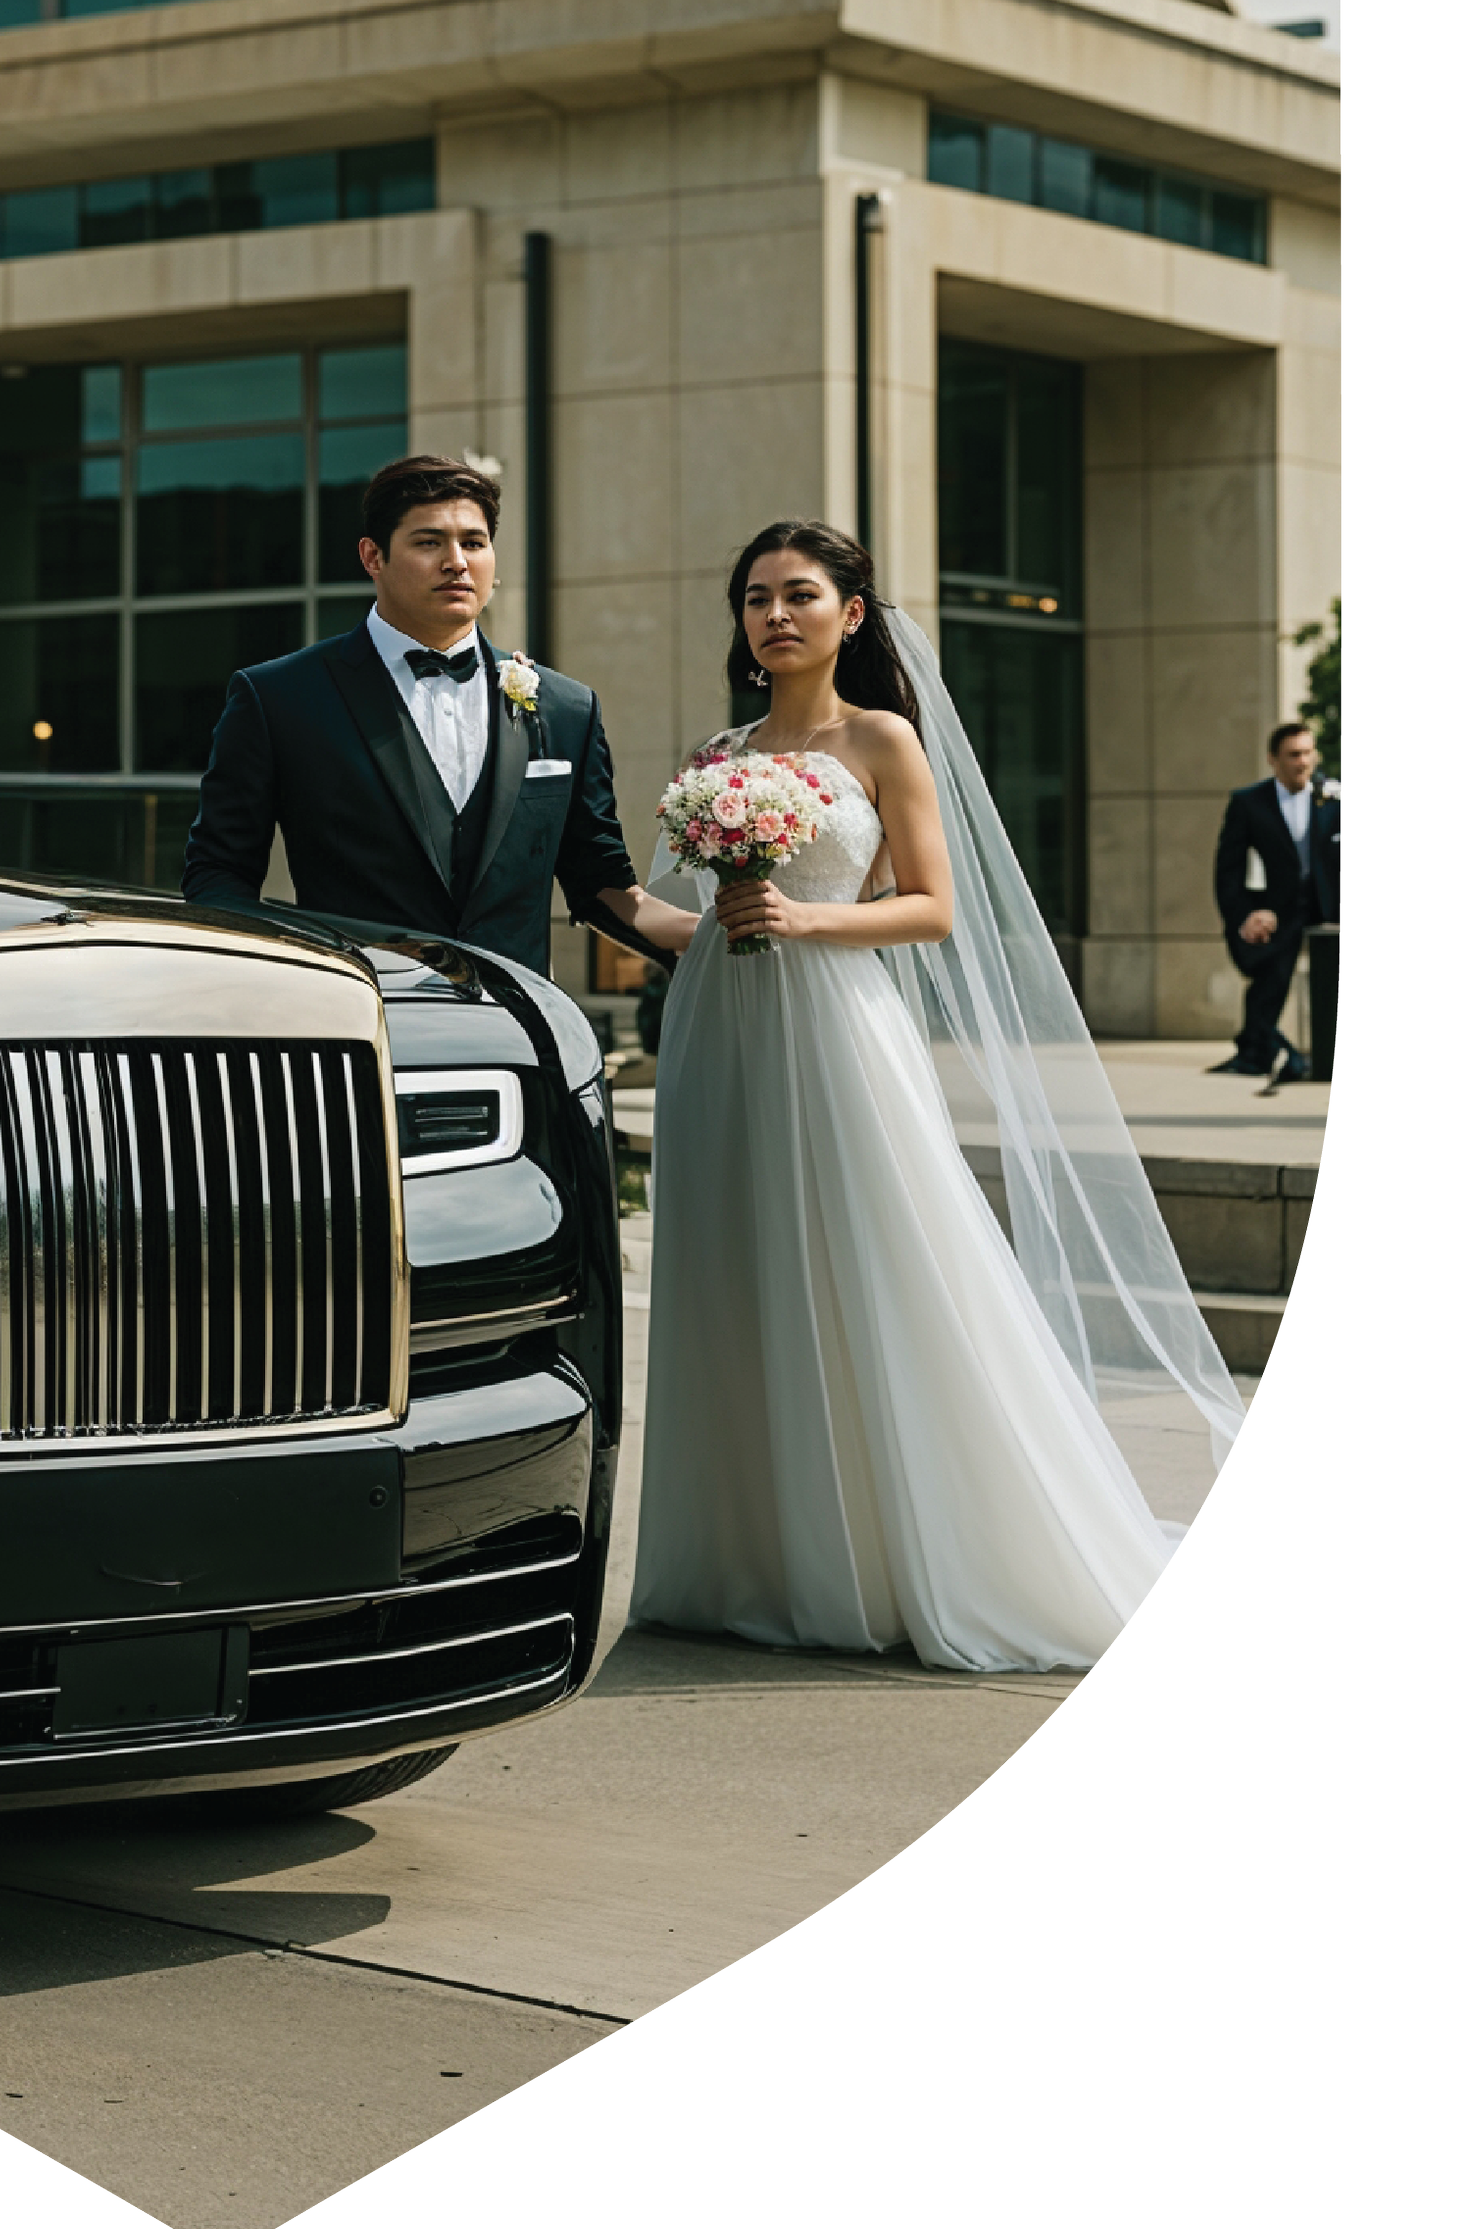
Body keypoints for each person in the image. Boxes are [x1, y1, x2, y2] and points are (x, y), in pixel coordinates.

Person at [627, 521, 1244, 1677]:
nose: (774, 615)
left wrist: (804, 918)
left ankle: (887, 1553)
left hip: (836, 1023)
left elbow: (932, 907)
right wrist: (632, 906)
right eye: (754, 597)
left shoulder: (882, 737)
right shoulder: (720, 749)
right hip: (720, 1024)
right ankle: (744, 1559)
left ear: (849, 615)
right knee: (731, 1267)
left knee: (874, 1257)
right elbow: (695, 906)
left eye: (799, 594)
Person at [180, 454, 695, 980]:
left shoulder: (567, 709)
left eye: (473, 543)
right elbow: (219, 877)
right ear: (372, 556)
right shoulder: (278, 699)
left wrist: (718, 928)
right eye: (429, 543)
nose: (457, 562)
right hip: (362, 1024)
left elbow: (603, 887)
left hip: (517, 1033)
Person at [1211, 720, 1341, 1081]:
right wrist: (1245, 915)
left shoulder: (1336, 795)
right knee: (1271, 976)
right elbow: (1229, 871)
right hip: (1277, 909)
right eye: (1293, 754)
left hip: (1331, 905)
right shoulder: (1249, 803)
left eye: (1308, 753)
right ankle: (1258, 1051)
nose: (1303, 762)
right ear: (1273, 759)